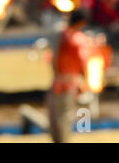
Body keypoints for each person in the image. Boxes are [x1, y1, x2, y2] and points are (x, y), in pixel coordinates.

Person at [47, 9, 111, 143]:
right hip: (67, 83)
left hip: (62, 83)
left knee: (59, 120)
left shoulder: (63, 34)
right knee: (62, 120)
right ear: (81, 23)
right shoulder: (75, 38)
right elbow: (85, 61)